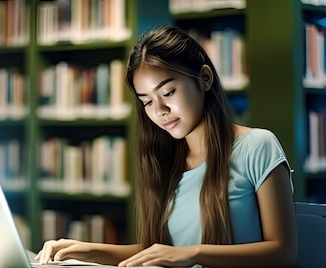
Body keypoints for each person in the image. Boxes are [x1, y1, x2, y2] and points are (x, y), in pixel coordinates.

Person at [35, 26, 297, 267]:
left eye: (168, 93)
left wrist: (194, 252)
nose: (159, 111)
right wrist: (88, 251)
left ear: (204, 78)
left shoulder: (257, 146)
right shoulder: (165, 159)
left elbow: (283, 252)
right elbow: (161, 252)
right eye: (147, 102)